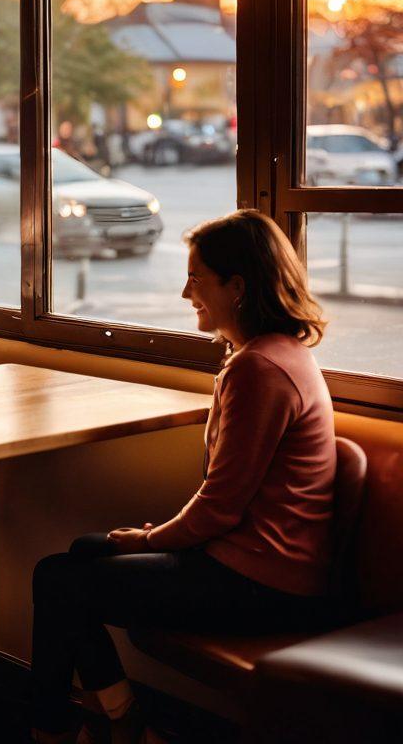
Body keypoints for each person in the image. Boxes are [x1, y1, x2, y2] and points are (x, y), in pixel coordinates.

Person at [29, 210, 336, 744]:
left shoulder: (259, 370)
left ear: (236, 287)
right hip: (256, 565)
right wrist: (149, 540)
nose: (184, 292)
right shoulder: (275, 355)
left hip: (262, 584)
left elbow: (220, 507)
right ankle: (111, 718)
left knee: (58, 579)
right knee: (79, 554)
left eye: (196, 278)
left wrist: (147, 538)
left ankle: (80, 725)